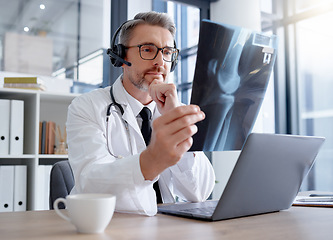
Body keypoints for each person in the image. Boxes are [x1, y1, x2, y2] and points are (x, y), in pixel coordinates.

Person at [66, 11, 215, 216]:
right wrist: (151, 160)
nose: (160, 62)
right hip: (111, 226)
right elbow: (91, 184)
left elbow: (199, 192)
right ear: (121, 55)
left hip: (168, 225)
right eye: (148, 49)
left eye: (167, 52)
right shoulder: (86, 106)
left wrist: (177, 126)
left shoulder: (176, 110)